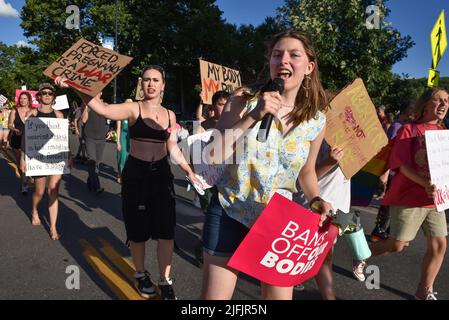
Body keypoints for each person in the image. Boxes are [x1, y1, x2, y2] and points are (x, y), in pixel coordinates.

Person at [201, 30, 332, 300]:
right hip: (230, 210)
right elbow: (213, 155)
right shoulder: (243, 99)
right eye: (277, 54)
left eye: (294, 55)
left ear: (309, 67)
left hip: (277, 221)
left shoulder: (316, 119)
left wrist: (317, 200)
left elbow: (306, 172)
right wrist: (254, 115)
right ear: (270, 62)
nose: (283, 60)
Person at [55, 65, 203, 300]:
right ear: (141, 84)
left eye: (156, 80)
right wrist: (75, 86)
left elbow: (172, 145)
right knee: (138, 231)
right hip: (137, 175)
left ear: (163, 84)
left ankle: (165, 280)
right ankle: (141, 273)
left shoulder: (170, 114)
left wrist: (187, 169)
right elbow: (103, 109)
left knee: (166, 231)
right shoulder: (133, 108)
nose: (151, 84)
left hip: (162, 176)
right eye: (147, 80)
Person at [369, 88, 448, 300]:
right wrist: (424, 182)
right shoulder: (409, 129)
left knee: (439, 245)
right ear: (424, 105)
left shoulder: (444, 133)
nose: (443, 104)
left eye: (447, 101)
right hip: (409, 197)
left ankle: (424, 291)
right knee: (397, 244)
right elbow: (401, 165)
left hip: (435, 200)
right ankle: (362, 253)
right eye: (438, 100)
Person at [20, 83, 68, 240]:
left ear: (53, 97)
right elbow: (26, 139)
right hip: (38, 158)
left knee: (53, 191)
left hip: (55, 157)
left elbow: (63, 139)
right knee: (39, 192)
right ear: (39, 96)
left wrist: (70, 155)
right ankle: (34, 209)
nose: (47, 95)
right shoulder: (32, 113)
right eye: (44, 93)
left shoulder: (59, 115)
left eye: (50, 93)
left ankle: (53, 227)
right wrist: (23, 158)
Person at [82, 93, 108, 194]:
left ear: (101, 93)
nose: (97, 93)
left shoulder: (105, 105)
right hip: (90, 137)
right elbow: (84, 120)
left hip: (101, 138)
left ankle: (90, 182)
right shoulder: (89, 105)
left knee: (97, 162)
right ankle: (96, 186)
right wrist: (86, 107)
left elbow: (110, 118)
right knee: (91, 161)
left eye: (99, 91)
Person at [8, 91, 32, 194]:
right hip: (17, 139)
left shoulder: (33, 111)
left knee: (27, 162)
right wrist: (15, 130)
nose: (22, 100)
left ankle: (25, 181)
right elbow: (9, 124)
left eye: (25, 98)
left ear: (29, 100)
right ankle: (24, 182)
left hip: (29, 140)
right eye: (21, 98)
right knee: (20, 163)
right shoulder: (14, 111)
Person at [116, 99, 132, 184]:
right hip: (122, 138)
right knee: (122, 156)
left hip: (130, 138)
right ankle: (120, 175)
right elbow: (118, 129)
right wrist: (118, 142)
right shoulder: (120, 115)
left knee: (128, 158)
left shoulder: (133, 116)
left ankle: (125, 175)